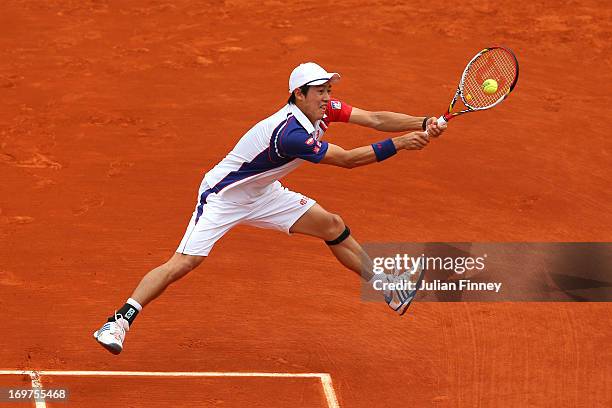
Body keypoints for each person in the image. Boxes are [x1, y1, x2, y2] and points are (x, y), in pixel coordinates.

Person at [93, 62, 446, 354]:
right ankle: (118, 321)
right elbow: (348, 160)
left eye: (328, 89)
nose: (328, 97)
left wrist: (422, 121)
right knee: (185, 262)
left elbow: (375, 119)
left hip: (264, 193)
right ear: (299, 94)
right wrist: (401, 144)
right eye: (320, 90)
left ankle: (388, 288)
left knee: (332, 225)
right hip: (224, 196)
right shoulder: (289, 132)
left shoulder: (325, 110)